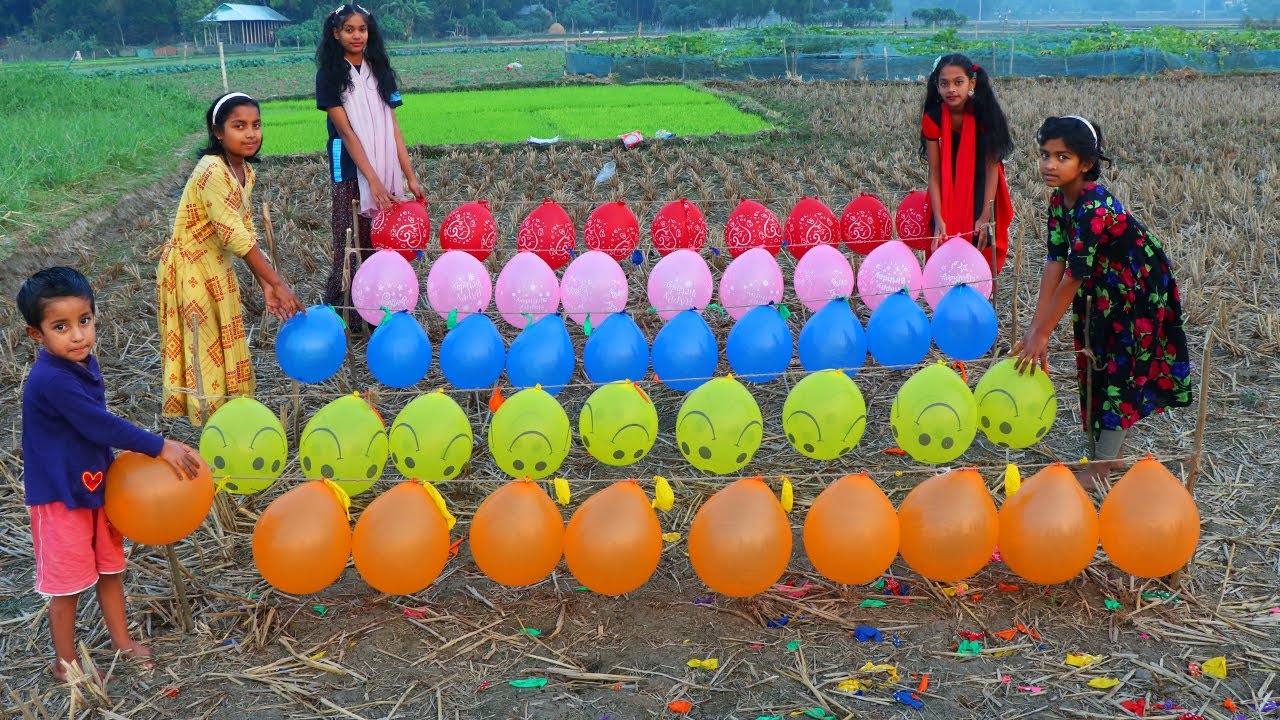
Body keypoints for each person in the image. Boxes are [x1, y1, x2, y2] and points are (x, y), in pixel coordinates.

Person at [18, 267, 203, 682]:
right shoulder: (50, 379)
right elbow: (99, 426)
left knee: (110, 569)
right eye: (60, 327)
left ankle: (122, 642)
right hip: (61, 497)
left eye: (84, 321)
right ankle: (65, 664)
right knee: (66, 588)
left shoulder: (84, 363)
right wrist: (160, 445)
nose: (78, 335)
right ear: (37, 335)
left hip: (97, 488)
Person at [1013, 116, 1192, 488]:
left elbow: (1074, 275)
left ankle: (1100, 469)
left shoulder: (1094, 205)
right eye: (1045, 155)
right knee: (1093, 360)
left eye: (1062, 157)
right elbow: (1055, 261)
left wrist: (1044, 333)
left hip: (1137, 289)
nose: (1049, 164)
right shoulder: (1059, 200)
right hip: (1102, 288)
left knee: (1117, 371)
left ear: (1087, 163)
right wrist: (1035, 328)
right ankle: (1107, 451)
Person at [157, 92, 303, 426]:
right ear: (218, 132)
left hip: (217, 267)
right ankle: (213, 428)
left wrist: (266, 285)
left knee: (224, 343)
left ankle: (229, 423)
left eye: (256, 125)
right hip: (191, 269)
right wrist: (278, 282)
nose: (251, 134)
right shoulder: (212, 171)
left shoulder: (243, 173)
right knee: (204, 348)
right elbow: (234, 237)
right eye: (239, 126)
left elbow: (246, 229)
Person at [316, 3, 424, 308]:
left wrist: (410, 177)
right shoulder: (329, 75)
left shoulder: (381, 71)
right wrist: (373, 182)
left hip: (385, 167)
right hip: (350, 169)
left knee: (380, 243)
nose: (356, 35)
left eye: (362, 29)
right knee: (349, 243)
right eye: (349, 29)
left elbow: (394, 128)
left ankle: (376, 310)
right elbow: (347, 132)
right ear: (336, 33)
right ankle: (341, 315)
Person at [919, 53, 1014, 272]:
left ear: (971, 83)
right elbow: (934, 174)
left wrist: (984, 216)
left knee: (982, 242)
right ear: (937, 85)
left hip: (983, 185)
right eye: (944, 84)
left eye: (958, 82)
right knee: (941, 243)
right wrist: (939, 217)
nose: (951, 89)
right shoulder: (932, 118)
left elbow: (992, 170)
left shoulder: (985, 114)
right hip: (948, 185)